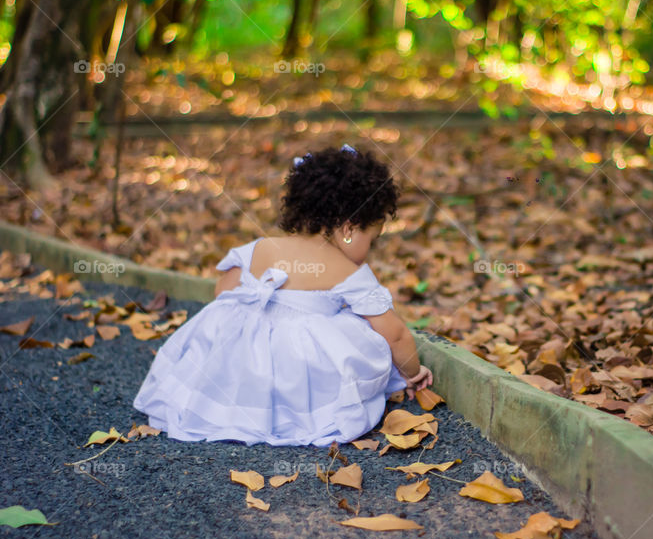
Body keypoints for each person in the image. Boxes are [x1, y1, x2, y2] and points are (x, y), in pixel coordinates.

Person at [132, 143, 433, 447]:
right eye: (373, 239)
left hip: (240, 366)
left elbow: (223, 291)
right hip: (297, 376)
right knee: (355, 331)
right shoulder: (347, 270)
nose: (371, 249)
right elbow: (394, 334)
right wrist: (412, 371)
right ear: (349, 229)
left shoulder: (262, 247)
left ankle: (224, 407)